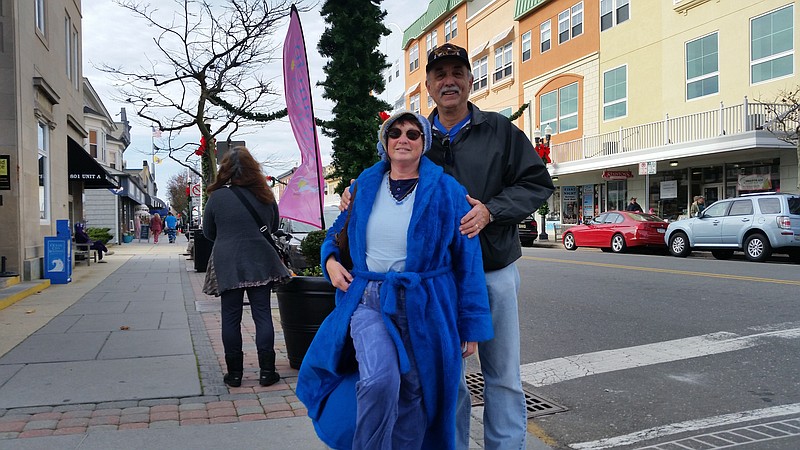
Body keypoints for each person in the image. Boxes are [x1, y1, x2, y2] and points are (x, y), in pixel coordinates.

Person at [341, 43, 554, 450]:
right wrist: (353, 192)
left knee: (503, 376)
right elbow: (383, 173)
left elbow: (536, 183)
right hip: (436, 284)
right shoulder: (418, 132)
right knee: (446, 378)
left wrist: (492, 211)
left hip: (492, 271)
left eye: (457, 72)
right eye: (440, 75)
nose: (449, 81)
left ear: (471, 81)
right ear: (429, 85)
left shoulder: (500, 131)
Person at [297, 111, 494, 450]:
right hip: (368, 300)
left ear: (423, 144)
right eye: (396, 133)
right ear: (385, 142)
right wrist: (329, 261)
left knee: (415, 391)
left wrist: (471, 328)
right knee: (379, 380)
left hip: (426, 305)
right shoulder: (362, 186)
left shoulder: (448, 190)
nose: (404, 139)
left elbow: (468, 262)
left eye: (413, 134)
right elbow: (336, 234)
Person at [203, 147, 290, 388]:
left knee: (230, 317)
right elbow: (273, 227)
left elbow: (209, 233)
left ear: (226, 169)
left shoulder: (217, 197)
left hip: (227, 261)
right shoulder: (265, 194)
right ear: (253, 168)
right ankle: (267, 372)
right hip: (260, 260)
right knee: (262, 314)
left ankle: (234, 374)